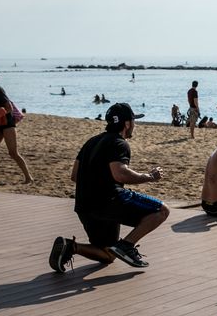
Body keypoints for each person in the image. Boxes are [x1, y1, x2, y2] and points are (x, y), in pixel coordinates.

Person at [48, 102, 169, 272]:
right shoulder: (120, 143)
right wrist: (150, 176)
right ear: (127, 124)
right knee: (162, 210)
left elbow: (75, 176)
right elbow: (120, 174)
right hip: (109, 201)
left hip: (84, 206)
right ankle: (126, 245)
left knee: (108, 255)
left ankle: (70, 246)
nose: (134, 125)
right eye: (133, 121)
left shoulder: (91, 142)